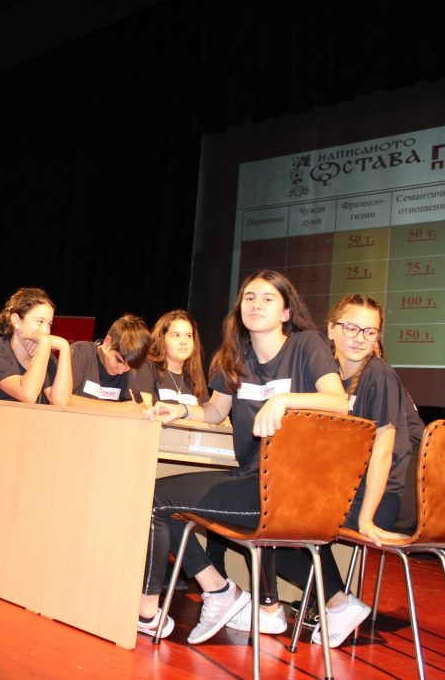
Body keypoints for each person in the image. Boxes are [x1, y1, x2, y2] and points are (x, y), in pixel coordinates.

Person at [136, 270, 348, 643]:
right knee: (158, 498)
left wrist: (283, 400)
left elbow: (338, 403)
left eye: (268, 299)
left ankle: (159, 609)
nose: (255, 305)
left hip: (290, 487)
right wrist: (181, 410)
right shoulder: (233, 357)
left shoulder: (306, 345)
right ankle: (216, 590)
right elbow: (216, 411)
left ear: (286, 312)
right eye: (249, 298)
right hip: (251, 478)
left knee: (158, 503)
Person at [245, 294, 423, 648]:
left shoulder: (378, 374)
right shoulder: (331, 379)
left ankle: (304, 605)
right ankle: (333, 603)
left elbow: (384, 452)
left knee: (274, 517)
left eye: (370, 331)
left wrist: (368, 518)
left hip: (381, 498)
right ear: (331, 329)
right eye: (351, 328)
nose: (359, 338)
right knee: (270, 507)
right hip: (346, 491)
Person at [0, 287, 72, 478]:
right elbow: (27, 394)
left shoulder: (45, 357)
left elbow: (61, 401)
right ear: (16, 320)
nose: (45, 331)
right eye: (39, 322)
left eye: (49, 324)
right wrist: (45, 345)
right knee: (18, 477)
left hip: (15, 445)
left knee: (54, 472)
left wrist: (65, 349)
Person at [67, 314, 150, 412]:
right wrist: (116, 408)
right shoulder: (80, 352)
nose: (121, 371)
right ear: (107, 342)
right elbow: (61, 399)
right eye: (118, 360)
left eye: (129, 366)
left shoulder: (128, 370)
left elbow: (140, 407)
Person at [130, 309, 207, 408]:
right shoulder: (147, 366)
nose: (184, 341)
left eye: (188, 336)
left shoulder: (195, 373)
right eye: (176, 335)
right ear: (162, 338)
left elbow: (208, 412)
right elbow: (144, 410)